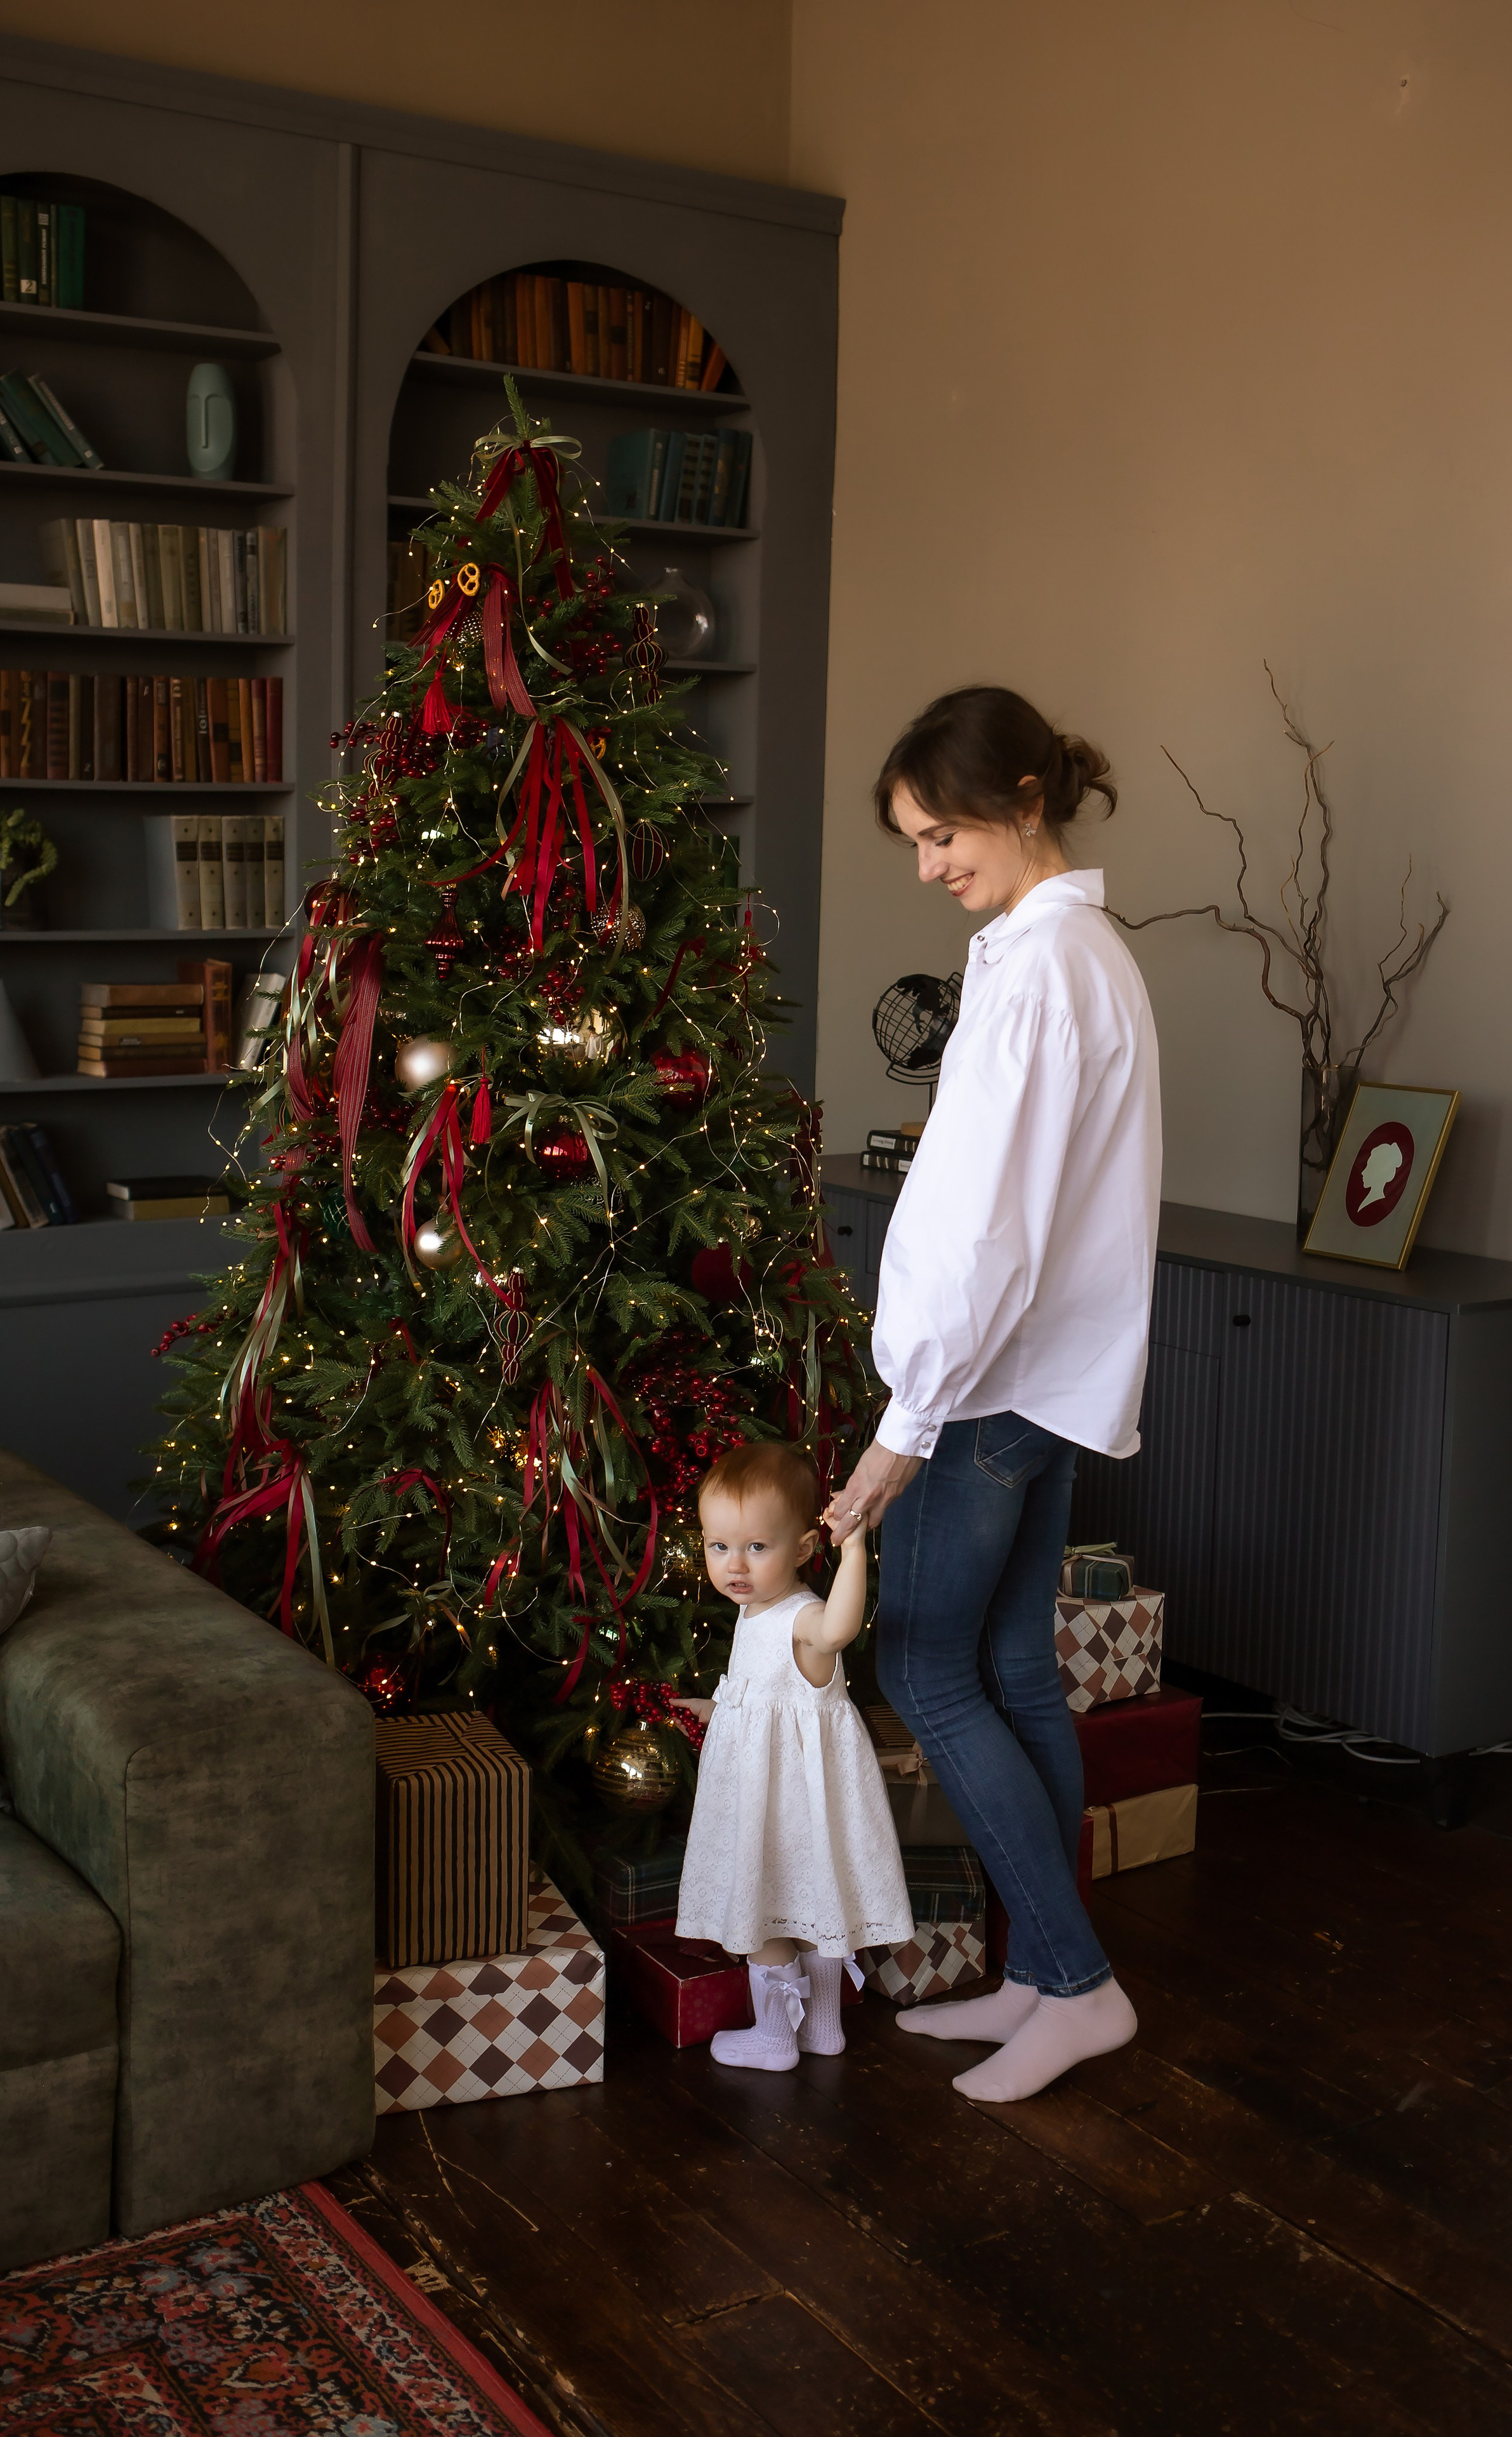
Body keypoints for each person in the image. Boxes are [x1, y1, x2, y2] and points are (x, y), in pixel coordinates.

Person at [826, 684, 1161, 2106]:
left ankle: (1076, 1986)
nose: (927, 864)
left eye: (942, 829)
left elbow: (985, 1230)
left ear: (1023, 799)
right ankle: (1035, 1974)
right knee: (1016, 1674)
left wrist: (905, 1425)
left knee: (919, 1669)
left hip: (984, 1391)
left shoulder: (1034, 972)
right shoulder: (1088, 950)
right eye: (911, 839)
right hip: (1045, 1383)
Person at [674, 1441, 912, 2071]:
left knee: (768, 1912)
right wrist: (718, 1707)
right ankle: (824, 2028)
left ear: (805, 1549)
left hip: (781, 1808)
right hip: (793, 1799)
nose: (735, 1565)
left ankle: (775, 2037)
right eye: (717, 1546)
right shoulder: (756, 1611)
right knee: (817, 1910)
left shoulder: (803, 1617)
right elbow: (766, 1697)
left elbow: (838, 1631)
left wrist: (855, 1547)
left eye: (757, 1547)